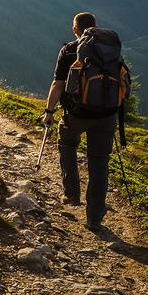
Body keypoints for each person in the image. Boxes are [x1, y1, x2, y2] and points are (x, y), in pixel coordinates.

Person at [42, 12, 119, 231]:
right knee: (100, 162)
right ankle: (94, 217)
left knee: (67, 142)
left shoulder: (68, 50)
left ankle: (72, 194)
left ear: (75, 30)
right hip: (106, 116)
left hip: (76, 114)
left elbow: (58, 85)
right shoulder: (109, 49)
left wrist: (49, 111)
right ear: (95, 28)